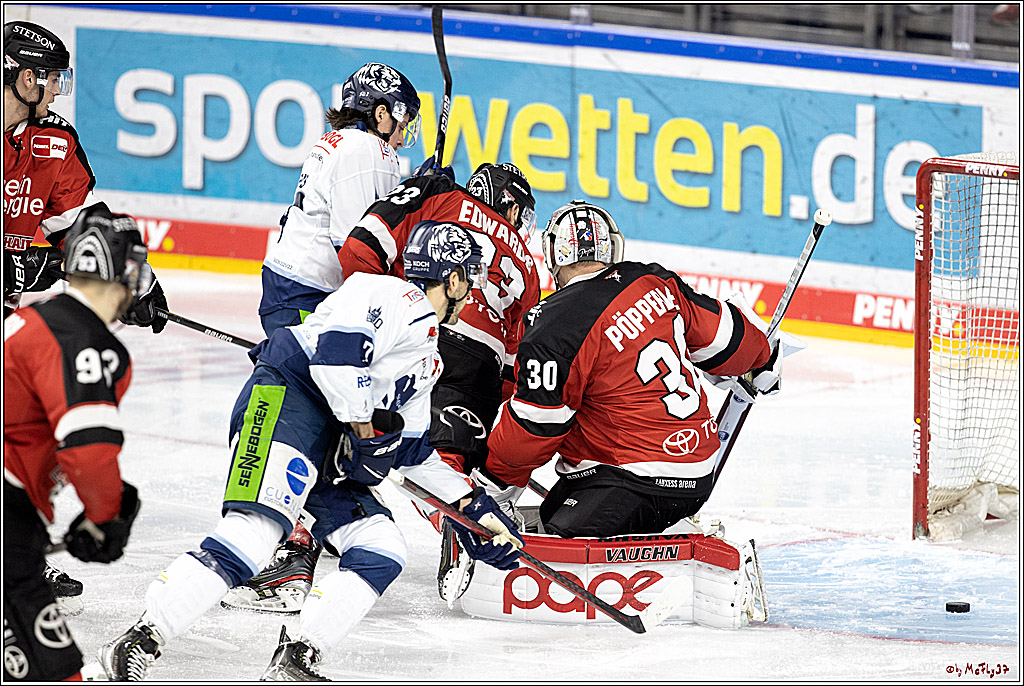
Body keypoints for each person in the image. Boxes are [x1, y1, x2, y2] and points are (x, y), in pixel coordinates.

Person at [99, 220, 524, 682]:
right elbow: (338, 356)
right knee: (256, 531)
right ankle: (139, 639)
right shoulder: (388, 295)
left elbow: (414, 452)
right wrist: (365, 432)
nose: (472, 292)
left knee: (380, 545)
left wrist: (471, 509)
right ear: (454, 278)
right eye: (470, 278)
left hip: (327, 439)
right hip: (285, 400)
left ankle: (297, 658)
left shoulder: (429, 356)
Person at [226, 162, 541, 611]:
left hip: (412, 337)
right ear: (509, 203)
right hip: (480, 371)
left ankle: (296, 554)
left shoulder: (440, 197)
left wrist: (379, 310)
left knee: (327, 437)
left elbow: (358, 251)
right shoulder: (527, 265)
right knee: (439, 456)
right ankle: (460, 517)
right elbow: (515, 359)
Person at [475, 200, 783, 538]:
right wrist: (763, 358)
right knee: (554, 507)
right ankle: (662, 524)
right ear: (611, 247)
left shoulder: (551, 323)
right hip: (697, 475)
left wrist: (494, 483)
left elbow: (535, 428)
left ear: (552, 257)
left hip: (627, 483)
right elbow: (732, 342)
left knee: (553, 535)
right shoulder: (652, 280)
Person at [3, 206, 150, 681]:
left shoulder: (33, 318)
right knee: (57, 671)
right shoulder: (82, 340)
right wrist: (106, 516)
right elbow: (87, 448)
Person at [3, 20, 167, 330]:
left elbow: (80, 227)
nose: (55, 91)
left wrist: (132, 283)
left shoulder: (53, 140)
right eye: (52, 80)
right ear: (27, 79)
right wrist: (10, 269)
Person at [258, 61, 421, 335]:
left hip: (286, 284)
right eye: (401, 126)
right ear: (381, 113)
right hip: (308, 293)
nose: (401, 140)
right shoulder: (371, 149)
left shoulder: (336, 141)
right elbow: (358, 247)